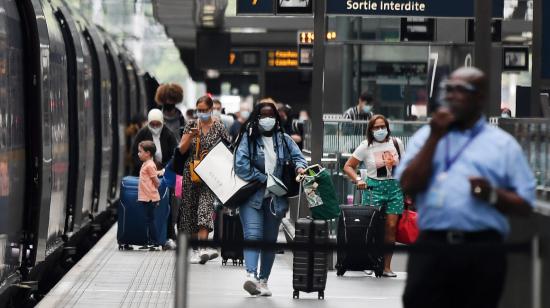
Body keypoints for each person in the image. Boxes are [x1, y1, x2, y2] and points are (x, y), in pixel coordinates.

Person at [395, 67, 535, 308]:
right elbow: (408, 184)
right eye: (448, 89)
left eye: (460, 90)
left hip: (481, 250)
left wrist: (492, 195)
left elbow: (525, 204)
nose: (451, 95)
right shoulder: (426, 136)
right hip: (432, 247)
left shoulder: (502, 145)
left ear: (480, 97)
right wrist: (435, 137)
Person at [234, 102, 307, 297]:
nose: (268, 120)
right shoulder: (248, 139)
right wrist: (265, 179)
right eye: (263, 116)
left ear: (277, 119)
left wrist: (300, 168)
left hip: (275, 201)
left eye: (271, 116)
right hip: (251, 197)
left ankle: (263, 281)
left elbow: (299, 158)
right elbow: (241, 166)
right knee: (253, 236)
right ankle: (250, 275)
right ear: (257, 119)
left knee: (269, 241)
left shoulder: (283, 140)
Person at [343, 114, 405, 277]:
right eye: (376, 127)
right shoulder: (365, 146)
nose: (380, 130)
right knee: (371, 227)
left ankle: (386, 267)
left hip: (395, 188)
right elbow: (348, 166)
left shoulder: (397, 143)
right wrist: (357, 179)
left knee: (391, 227)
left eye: (382, 127)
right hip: (373, 188)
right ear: (371, 129)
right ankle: (368, 261)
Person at [178, 95, 230, 264]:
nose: (201, 113)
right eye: (198, 110)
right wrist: (191, 136)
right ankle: (194, 250)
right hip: (191, 173)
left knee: (205, 210)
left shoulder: (218, 126)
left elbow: (228, 146)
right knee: (191, 211)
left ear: (211, 109)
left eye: (204, 110)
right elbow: (181, 149)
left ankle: (202, 248)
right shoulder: (191, 125)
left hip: (210, 174)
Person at [132, 109, 178, 176]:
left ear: (162, 122)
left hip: (165, 173)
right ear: (148, 123)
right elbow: (135, 154)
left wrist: (164, 169)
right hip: (144, 174)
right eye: (152, 124)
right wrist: (147, 168)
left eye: (158, 124)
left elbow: (175, 155)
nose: (155, 127)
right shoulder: (142, 134)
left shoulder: (169, 135)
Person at [137, 140, 164, 251]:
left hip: (149, 198)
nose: (138, 154)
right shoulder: (147, 164)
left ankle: (154, 242)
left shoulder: (149, 165)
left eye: (140, 152)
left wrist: (156, 189)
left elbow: (155, 181)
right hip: (146, 197)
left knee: (150, 220)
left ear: (147, 153)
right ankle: (150, 241)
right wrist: (160, 172)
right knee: (148, 220)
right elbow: (154, 174)